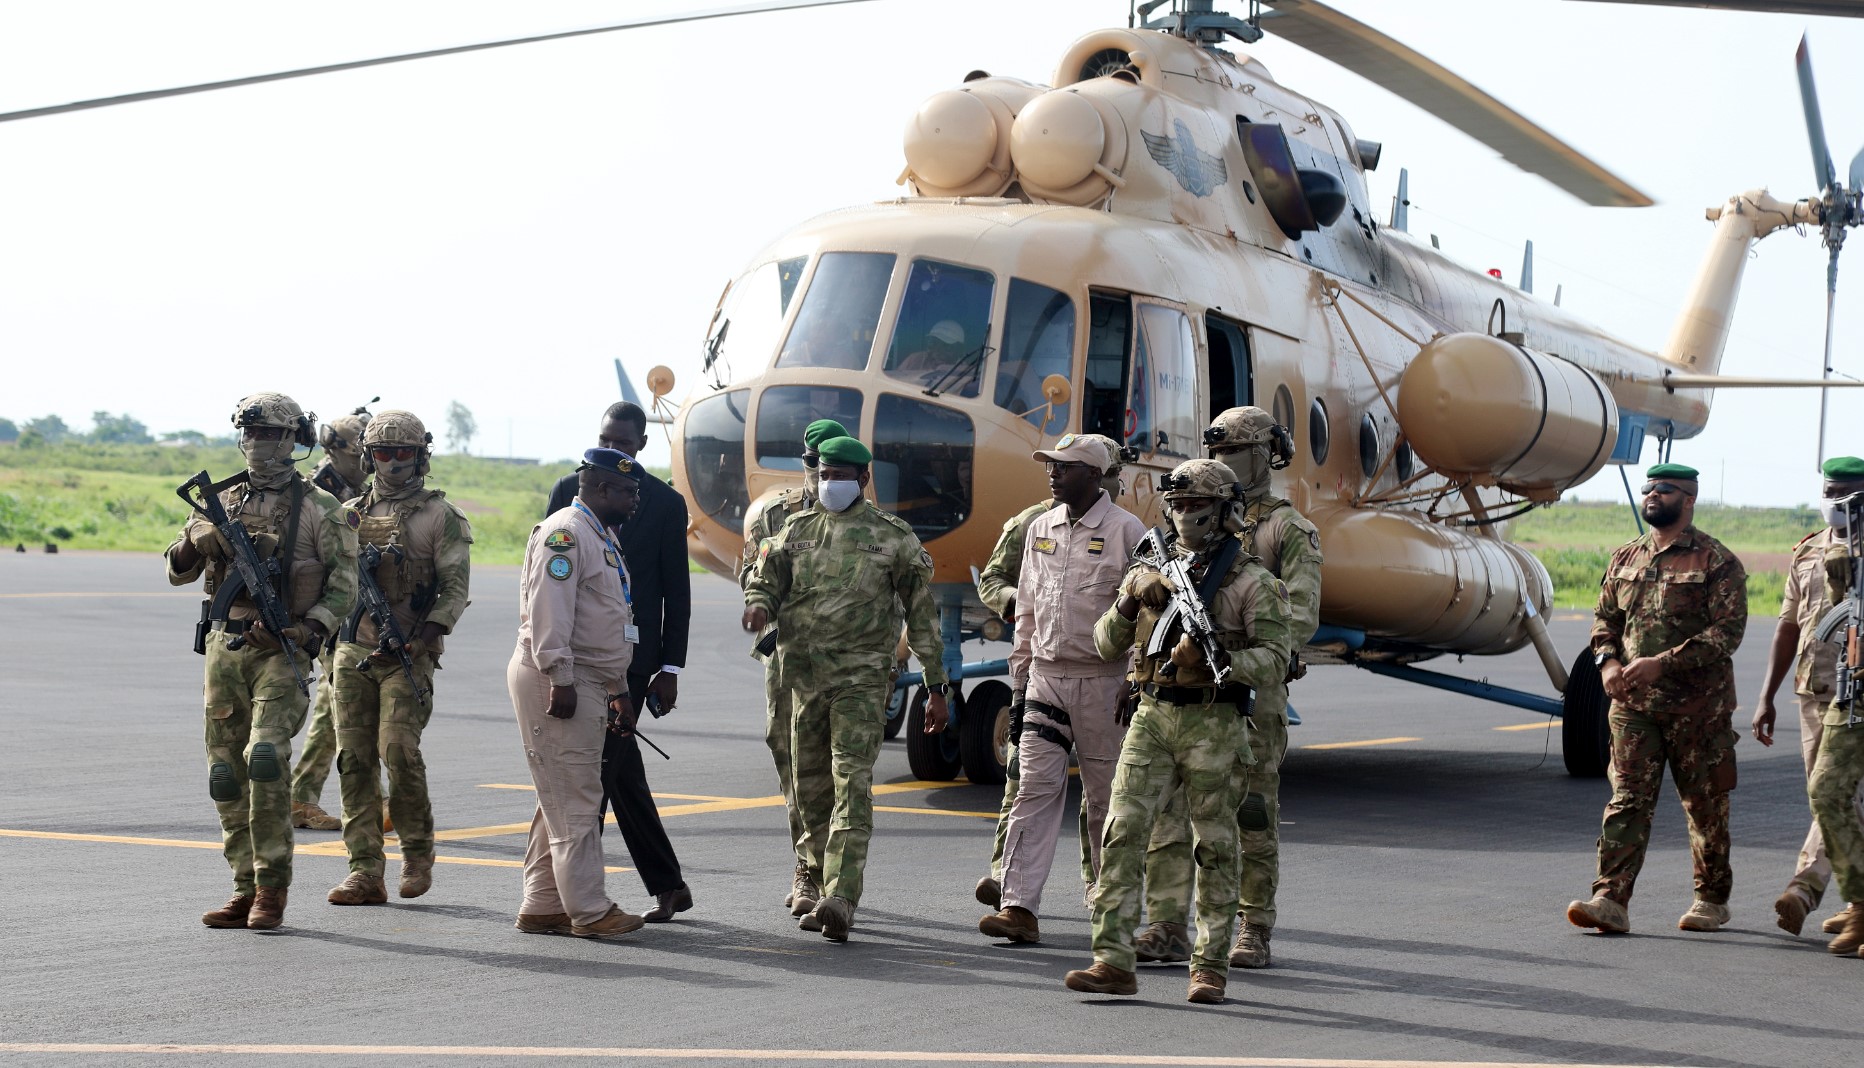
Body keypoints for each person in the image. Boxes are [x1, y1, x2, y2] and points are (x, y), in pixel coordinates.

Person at [1064, 458, 1295, 1005]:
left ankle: (1209, 965)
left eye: (1197, 507)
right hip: (1151, 715)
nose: (1186, 516)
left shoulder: (1252, 582)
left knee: (1214, 845)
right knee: (1121, 834)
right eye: (1179, 506)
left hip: (1214, 720)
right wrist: (1128, 599)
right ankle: (1112, 959)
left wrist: (1222, 660)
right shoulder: (1152, 566)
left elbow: (1276, 660)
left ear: (1225, 512)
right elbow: (1103, 643)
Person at [741, 434, 950, 942]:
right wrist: (759, 603)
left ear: (863, 480)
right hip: (802, 681)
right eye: (825, 475)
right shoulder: (795, 531)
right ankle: (811, 876)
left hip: (860, 682)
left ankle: (842, 895)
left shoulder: (894, 538)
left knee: (850, 782)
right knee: (810, 789)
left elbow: (922, 616)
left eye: (841, 477)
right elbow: (763, 578)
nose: (831, 483)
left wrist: (935, 686)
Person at [1137, 406, 1321, 969]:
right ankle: (1167, 924)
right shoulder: (1194, 512)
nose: (1221, 461)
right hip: (1180, 694)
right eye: (1215, 452)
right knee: (1168, 809)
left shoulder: (1287, 529)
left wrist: (1222, 651)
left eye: (1234, 451)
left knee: (1250, 814)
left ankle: (1253, 928)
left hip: (1248, 696)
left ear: (1264, 454)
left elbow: (1302, 616)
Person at [165, 391, 357, 930]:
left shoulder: (321, 508)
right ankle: (242, 886)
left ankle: (272, 888)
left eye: (270, 434)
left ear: (295, 440)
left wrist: (305, 630)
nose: (257, 443)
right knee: (225, 773)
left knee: (266, 758)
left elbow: (346, 587)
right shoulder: (220, 500)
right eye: (249, 433)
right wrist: (196, 542)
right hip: (225, 649)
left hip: (282, 649)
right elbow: (175, 571)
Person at [979, 435, 1146, 943]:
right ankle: (1018, 907)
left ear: (1094, 476)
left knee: (1104, 800)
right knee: (1033, 788)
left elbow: (1146, 614)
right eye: (1051, 465)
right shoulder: (1039, 528)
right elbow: (1026, 607)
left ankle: (1107, 903)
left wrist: (1135, 677)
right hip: (1046, 679)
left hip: (1103, 682)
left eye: (1065, 467)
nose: (1053, 473)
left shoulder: (1128, 532)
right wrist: (1020, 678)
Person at [1568, 462, 1747, 935]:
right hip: (1633, 707)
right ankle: (1610, 898)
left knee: (1704, 804)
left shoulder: (1717, 562)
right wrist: (1607, 664)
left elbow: (1726, 634)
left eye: (1664, 490)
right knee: (1627, 800)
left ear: (1688, 500)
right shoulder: (1626, 557)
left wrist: (1661, 663)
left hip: (1698, 708)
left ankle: (1711, 898)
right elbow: (1604, 620)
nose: (1652, 495)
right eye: (1648, 488)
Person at [547, 402, 694, 923]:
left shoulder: (665, 503)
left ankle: (583, 900)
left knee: (599, 773)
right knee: (611, 771)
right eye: (606, 439)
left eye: (625, 443)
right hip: (579, 658)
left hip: (630, 662)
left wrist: (669, 669)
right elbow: (550, 585)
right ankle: (661, 887)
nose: (614, 450)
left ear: (642, 446)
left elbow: (676, 592)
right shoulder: (570, 491)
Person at [324, 411, 473, 905]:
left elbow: (454, 589)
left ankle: (416, 851)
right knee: (354, 760)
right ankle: (365, 870)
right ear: (368, 456)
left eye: (403, 453)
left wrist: (422, 636)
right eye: (383, 453)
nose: (392, 463)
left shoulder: (439, 516)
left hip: (408, 653)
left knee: (398, 751)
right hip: (351, 651)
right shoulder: (346, 512)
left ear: (420, 456)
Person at [507, 448, 648, 939]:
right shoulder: (565, 533)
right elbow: (551, 611)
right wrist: (560, 677)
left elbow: (607, 621)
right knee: (578, 799)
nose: (636, 501)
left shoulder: (600, 534)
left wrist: (619, 689)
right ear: (602, 488)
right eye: (629, 492)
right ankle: (589, 911)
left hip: (588, 678)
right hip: (560, 679)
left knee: (562, 795)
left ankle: (544, 903)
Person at [740, 417, 846, 919]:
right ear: (805, 464)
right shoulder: (773, 516)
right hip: (787, 657)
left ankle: (834, 873)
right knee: (791, 759)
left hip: (846, 660)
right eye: (814, 467)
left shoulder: (863, 519)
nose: (822, 477)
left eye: (830, 468)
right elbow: (753, 576)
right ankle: (806, 863)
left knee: (838, 766)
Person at [1753, 456, 1864, 938]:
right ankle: (1856, 899)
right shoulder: (1807, 552)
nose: (1835, 501)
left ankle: (1805, 887)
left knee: (1834, 793)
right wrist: (1766, 695)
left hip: (1858, 696)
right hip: (1814, 691)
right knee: (1833, 798)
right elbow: (1788, 626)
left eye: (1846, 493)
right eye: (1830, 491)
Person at [293, 406, 373, 831]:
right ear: (336, 450)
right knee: (342, 702)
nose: (369, 462)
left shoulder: (350, 487)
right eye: (362, 452)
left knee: (332, 703)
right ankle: (366, 800)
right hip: (327, 613)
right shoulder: (320, 493)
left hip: (347, 611)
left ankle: (303, 795)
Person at [1812, 489, 1864, 956]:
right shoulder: (1848, 556)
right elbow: (1838, 619)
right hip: (1855, 694)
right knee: (1826, 791)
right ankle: (1861, 901)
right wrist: (1839, 581)